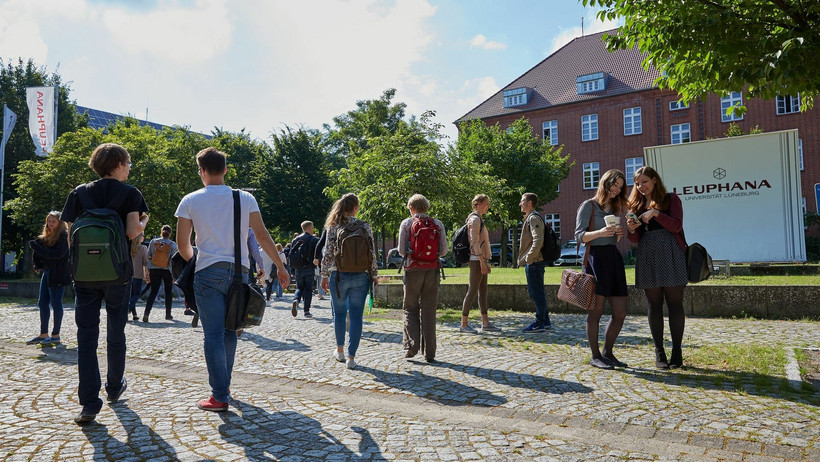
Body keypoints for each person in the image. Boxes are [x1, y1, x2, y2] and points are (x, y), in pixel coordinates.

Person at [175, 147, 288, 412]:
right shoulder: (244, 198)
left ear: (201, 170)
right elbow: (262, 236)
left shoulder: (190, 200)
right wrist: (280, 267)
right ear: (225, 169)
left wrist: (198, 258)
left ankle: (219, 395)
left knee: (213, 335)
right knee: (230, 331)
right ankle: (223, 389)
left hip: (208, 272)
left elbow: (183, 245)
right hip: (240, 273)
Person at [61, 143, 149, 424]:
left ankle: (89, 403)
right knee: (115, 332)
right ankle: (113, 387)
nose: (129, 169)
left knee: (86, 338)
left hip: (85, 275)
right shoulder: (130, 193)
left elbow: (70, 235)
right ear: (120, 164)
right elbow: (132, 231)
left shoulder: (79, 192)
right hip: (118, 274)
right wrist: (144, 222)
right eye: (129, 163)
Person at [627, 166, 688, 369]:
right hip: (647, 254)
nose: (640, 186)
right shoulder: (635, 204)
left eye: (644, 181)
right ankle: (659, 351)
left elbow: (676, 226)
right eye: (637, 183)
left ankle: (677, 351)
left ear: (654, 180)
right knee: (653, 304)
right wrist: (632, 229)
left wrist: (655, 213)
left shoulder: (670, 199)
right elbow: (634, 239)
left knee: (675, 303)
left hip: (671, 252)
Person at [574, 169, 628, 370]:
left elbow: (612, 239)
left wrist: (617, 235)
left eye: (620, 187)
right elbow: (579, 236)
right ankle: (595, 356)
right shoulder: (588, 206)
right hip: (596, 260)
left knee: (620, 311)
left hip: (613, 258)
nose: (616, 190)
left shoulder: (613, 208)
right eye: (615, 184)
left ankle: (608, 352)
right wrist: (600, 232)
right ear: (606, 182)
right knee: (596, 310)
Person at [320, 193, 379, 370]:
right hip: (361, 275)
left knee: (338, 315)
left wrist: (324, 274)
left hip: (338, 276)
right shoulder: (365, 226)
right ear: (355, 208)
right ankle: (351, 358)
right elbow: (372, 253)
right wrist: (374, 275)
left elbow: (328, 253)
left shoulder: (333, 226)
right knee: (356, 316)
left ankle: (339, 351)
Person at [397, 194, 447, 363]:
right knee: (429, 310)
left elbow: (402, 250)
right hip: (432, 270)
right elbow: (443, 251)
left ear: (412, 208)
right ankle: (430, 353)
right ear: (427, 207)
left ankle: (412, 346)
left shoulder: (407, 223)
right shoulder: (437, 224)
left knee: (410, 307)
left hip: (413, 270)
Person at [27, 211, 71, 346]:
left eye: (53, 221)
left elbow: (56, 254)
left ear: (60, 222)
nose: (50, 224)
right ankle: (43, 334)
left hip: (58, 273)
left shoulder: (64, 236)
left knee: (56, 303)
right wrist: (37, 264)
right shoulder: (48, 235)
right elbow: (39, 252)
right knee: (42, 303)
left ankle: (55, 335)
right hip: (48, 272)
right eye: (49, 221)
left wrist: (36, 247)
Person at [460, 194, 499, 333]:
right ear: (478, 204)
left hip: (481, 260)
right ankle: (464, 324)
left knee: (483, 292)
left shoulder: (479, 219)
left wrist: (485, 261)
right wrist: (482, 262)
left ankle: (485, 322)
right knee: (472, 291)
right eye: (486, 203)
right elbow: (474, 242)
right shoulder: (475, 219)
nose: (488, 206)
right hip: (476, 260)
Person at [518, 193, 553, 333]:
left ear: (530, 202)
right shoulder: (531, 217)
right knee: (537, 292)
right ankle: (545, 320)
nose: (520, 204)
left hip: (535, 262)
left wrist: (529, 258)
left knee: (536, 292)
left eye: (522, 201)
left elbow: (538, 240)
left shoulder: (533, 218)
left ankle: (539, 322)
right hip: (535, 261)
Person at [143, 225, 178, 322]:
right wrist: (173, 274)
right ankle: (168, 314)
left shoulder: (153, 242)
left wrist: (148, 270)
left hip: (154, 269)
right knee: (168, 293)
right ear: (170, 233)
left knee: (153, 292)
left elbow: (148, 256)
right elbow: (173, 260)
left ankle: (146, 313)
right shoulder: (172, 244)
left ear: (161, 232)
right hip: (167, 270)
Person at [291, 221, 320, 318]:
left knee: (299, 287)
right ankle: (306, 311)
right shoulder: (314, 240)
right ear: (309, 228)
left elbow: (291, 255)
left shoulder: (295, 240)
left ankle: (296, 300)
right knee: (308, 289)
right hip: (309, 267)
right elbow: (318, 254)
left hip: (298, 268)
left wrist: (292, 270)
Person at [128, 233, 149, 321]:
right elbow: (145, 262)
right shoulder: (142, 248)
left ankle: (134, 314)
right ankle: (126, 309)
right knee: (137, 294)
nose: (144, 237)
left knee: (131, 295)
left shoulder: (128, 247)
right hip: (137, 274)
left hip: (128, 274)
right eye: (143, 235)